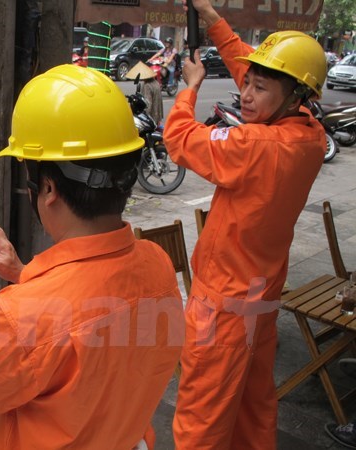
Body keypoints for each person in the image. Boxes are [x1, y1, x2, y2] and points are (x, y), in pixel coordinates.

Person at [0, 65, 184, 450]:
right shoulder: (157, 263)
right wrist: (26, 274)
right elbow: (86, 321)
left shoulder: (24, 316)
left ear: (47, 188)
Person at [162, 0, 328, 448]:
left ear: (295, 95)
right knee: (253, 409)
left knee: (201, 420)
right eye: (247, 83)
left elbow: (177, 138)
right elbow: (261, 77)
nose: (247, 95)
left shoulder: (255, 145)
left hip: (221, 307)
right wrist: (213, 20)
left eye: (259, 88)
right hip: (261, 295)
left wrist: (191, 88)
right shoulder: (309, 134)